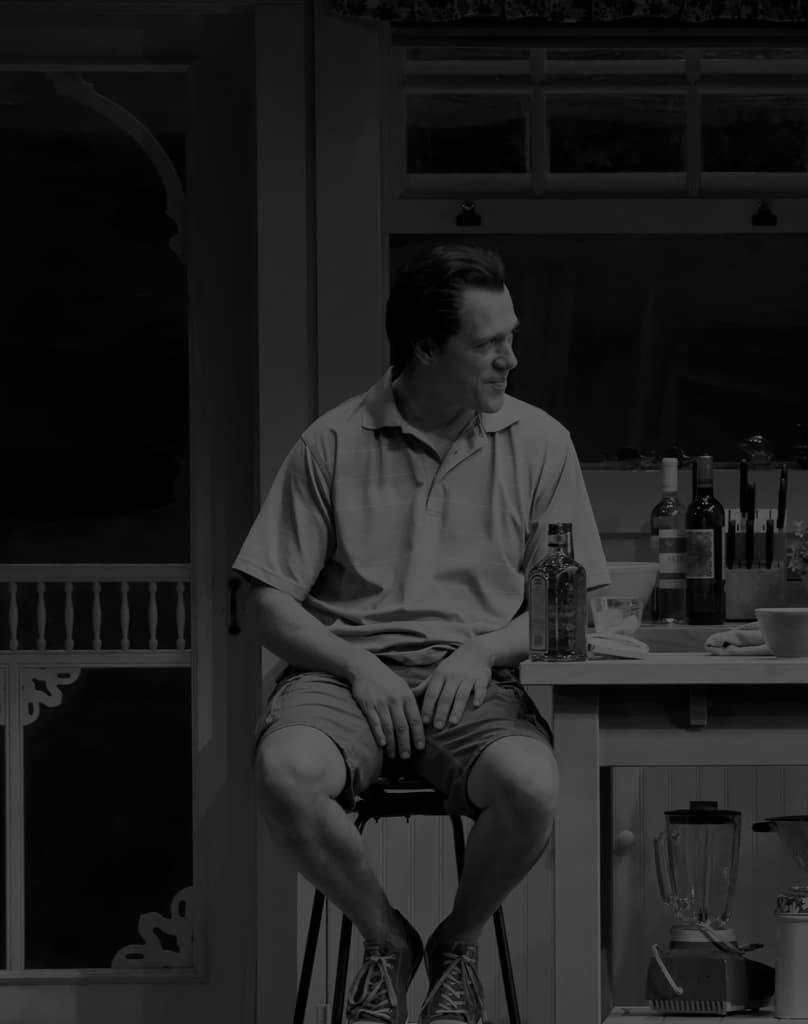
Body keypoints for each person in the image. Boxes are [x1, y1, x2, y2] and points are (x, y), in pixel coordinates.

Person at [233, 243, 607, 1024]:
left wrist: (484, 649)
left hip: (472, 681)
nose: (511, 357)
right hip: (343, 678)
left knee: (533, 785)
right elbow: (265, 603)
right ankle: (386, 940)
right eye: (488, 343)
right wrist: (354, 665)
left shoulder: (541, 443)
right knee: (285, 770)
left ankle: (456, 947)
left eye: (510, 335)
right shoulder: (330, 445)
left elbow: (571, 609)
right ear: (425, 347)